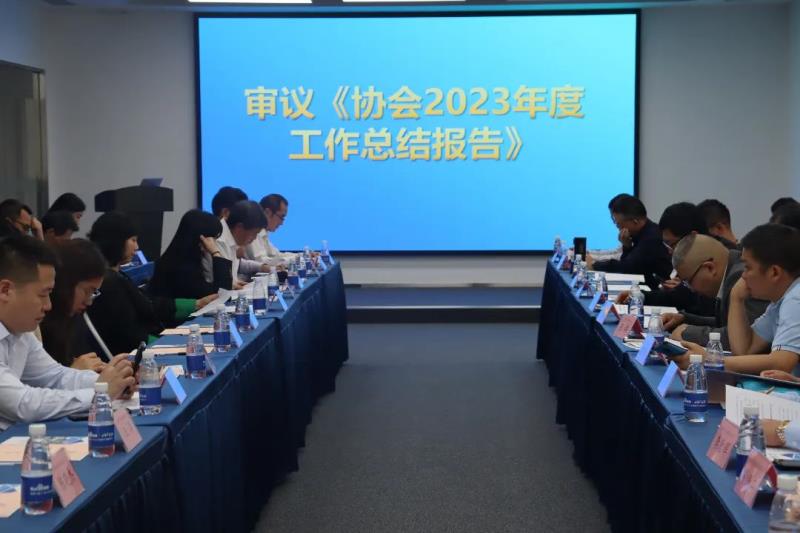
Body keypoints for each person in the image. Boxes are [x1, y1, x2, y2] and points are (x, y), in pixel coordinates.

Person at [0, 234, 134, 430]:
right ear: (5, 290)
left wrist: (115, 380)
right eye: (43, 294)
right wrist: (100, 394)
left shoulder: (20, 330)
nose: (48, 305)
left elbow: (55, 376)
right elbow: (23, 404)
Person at [87, 212, 217, 354]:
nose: (137, 247)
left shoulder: (116, 275)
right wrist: (170, 344)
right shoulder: (109, 283)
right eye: (133, 240)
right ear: (116, 242)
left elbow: (150, 304)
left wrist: (196, 304)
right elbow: (129, 334)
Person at [678, 224, 800, 374]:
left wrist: (711, 359)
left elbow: (782, 362)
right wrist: (736, 297)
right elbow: (745, 349)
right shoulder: (780, 302)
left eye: (748, 267)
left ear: (774, 272)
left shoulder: (796, 299)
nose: (743, 275)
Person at [664, 234, 768, 349]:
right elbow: (726, 324)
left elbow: (743, 337)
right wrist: (685, 319)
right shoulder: (730, 271)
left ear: (710, 268)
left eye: (688, 281)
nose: (691, 289)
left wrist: (688, 333)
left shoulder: (742, 278)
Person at [39, 239, 112, 370]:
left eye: (94, 293)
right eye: (87, 291)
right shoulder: (35, 323)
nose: (89, 301)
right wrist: (75, 371)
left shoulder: (73, 318)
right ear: (65, 283)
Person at [589, 195, 672, 290]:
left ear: (635, 221)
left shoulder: (651, 238)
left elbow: (627, 267)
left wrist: (594, 265)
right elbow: (629, 265)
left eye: (618, 224)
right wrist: (627, 246)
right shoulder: (641, 232)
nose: (618, 228)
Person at [148, 210, 233, 299]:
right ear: (201, 239)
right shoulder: (180, 266)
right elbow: (221, 294)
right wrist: (215, 252)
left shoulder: (191, 258)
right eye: (212, 239)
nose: (213, 243)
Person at [206, 200, 267, 283]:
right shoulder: (219, 239)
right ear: (239, 227)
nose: (255, 238)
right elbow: (223, 285)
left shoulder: (231, 239)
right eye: (254, 233)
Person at [245, 194, 298, 267]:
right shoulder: (253, 230)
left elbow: (276, 255)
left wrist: (301, 256)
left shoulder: (264, 232)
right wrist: (297, 259)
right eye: (281, 217)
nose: (282, 223)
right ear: (267, 212)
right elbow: (261, 261)